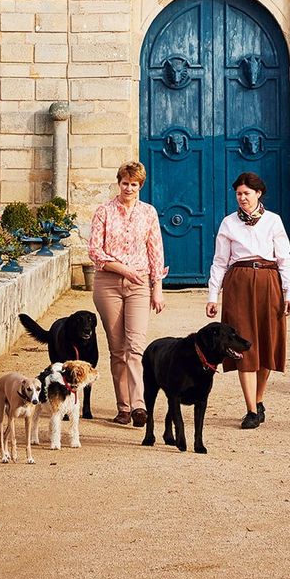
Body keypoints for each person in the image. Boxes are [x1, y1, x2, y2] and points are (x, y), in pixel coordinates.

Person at [206, 172, 290, 430]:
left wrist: (289, 293)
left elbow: (284, 259)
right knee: (241, 343)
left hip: (269, 283)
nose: (242, 198)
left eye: (247, 193)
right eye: (238, 194)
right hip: (239, 285)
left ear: (258, 194)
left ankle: (259, 399)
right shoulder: (228, 223)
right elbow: (220, 262)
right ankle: (251, 410)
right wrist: (214, 296)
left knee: (266, 343)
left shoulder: (274, 221)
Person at [88, 161, 166, 426]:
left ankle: (138, 406)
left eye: (134, 184)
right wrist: (122, 269)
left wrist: (157, 288)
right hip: (108, 283)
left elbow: (156, 250)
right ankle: (122, 407)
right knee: (117, 348)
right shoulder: (104, 212)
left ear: (140, 185)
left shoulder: (149, 213)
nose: (129, 188)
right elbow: (95, 251)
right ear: (118, 183)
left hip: (139, 285)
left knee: (135, 347)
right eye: (125, 183)